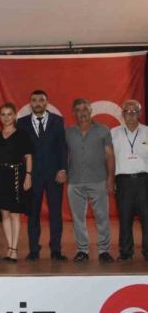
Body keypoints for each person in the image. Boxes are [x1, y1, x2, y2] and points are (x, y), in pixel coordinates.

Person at [17, 90, 68, 261]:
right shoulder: (22, 123)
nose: (38, 103)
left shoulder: (58, 120)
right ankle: (33, 250)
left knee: (55, 213)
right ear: (30, 103)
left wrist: (63, 169)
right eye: (34, 100)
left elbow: (62, 147)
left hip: (54, 175)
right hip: (32, 176)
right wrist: (25, 175)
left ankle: (56, 250)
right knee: (33, 214)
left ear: (47, 102)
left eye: (41, 100)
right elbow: (21, 151)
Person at [65, 98, 115, 263]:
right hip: (75, 181)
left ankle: (104, 251)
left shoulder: (103, 130)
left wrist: (110, 178)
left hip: (98, 180)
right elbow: (63, 155)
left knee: (102, 217)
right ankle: (82, 251)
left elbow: (109, 155)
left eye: (85, 109)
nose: (82, 113)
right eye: (78, 110)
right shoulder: (68, 132)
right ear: (74, 113)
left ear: (91, 111)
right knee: (78, 219)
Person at [0, 103, 33, 262]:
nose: (6, 117)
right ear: (0, 117)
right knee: (4, 213)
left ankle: (14, 249)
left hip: (16, 175)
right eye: (3, 114)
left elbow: (28, 157)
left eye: (9, 114)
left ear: (14, 116)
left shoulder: (22, 135)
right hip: (0, 176)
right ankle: (9, 248)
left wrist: (28, 176)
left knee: (14, 214)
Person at [110, 99, 148, 262]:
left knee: (147, 217)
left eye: (134, 111)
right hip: (123, 180)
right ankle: (126, 252)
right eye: (128, 111)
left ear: (139, 114)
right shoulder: (114, 133)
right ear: (122, 114)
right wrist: (110, 179)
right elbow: (109, 159)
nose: (131, 114)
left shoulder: (147, 132)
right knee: (125, 217)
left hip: (144, 180)